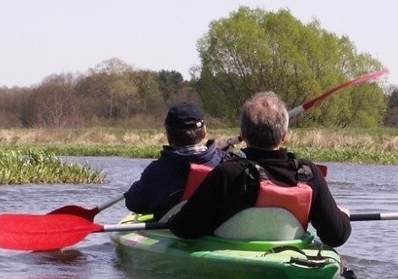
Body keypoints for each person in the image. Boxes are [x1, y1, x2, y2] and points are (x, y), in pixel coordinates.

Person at [166, 91, 351, 248]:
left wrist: (172, 219)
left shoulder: (227, 174)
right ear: (284, 135)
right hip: (287, 259)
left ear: (244, 135)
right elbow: (336, 236)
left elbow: (185, 229)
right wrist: (342, 216)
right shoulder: (308, 173)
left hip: (234, 262)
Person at [124, 102, 224, 219]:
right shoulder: (226, 162)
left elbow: (134, 204)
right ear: (204, 132)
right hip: (216, 229)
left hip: (169, 229)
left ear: (168, 136)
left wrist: (137, 187)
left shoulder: (157, 171)